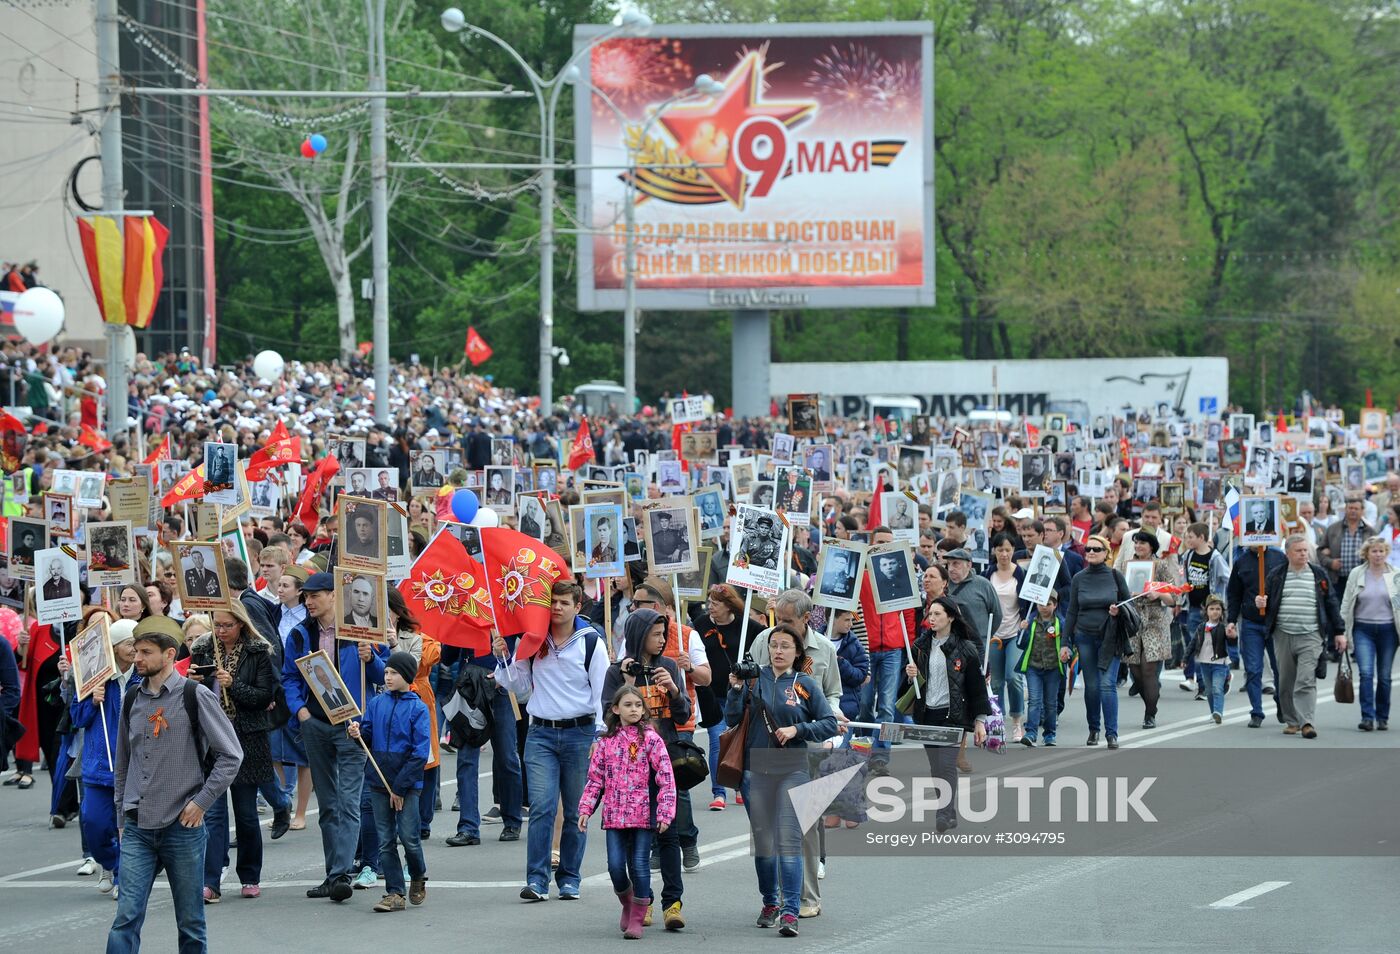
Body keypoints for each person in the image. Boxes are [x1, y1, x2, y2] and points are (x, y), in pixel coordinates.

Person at [108, 616, 243, 954]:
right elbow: (124, 763)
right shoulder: (131, 699)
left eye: (145, 652)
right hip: (138, 825)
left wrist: (202, 802)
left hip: (182, 827)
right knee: (126, 916)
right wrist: (122, 817)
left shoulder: (195, 696)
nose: (137, 659)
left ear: (169, 655)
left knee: (191, 923)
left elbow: (231, 756)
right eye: (136, 651)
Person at [492, 581, 608, 902]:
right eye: (553, 602)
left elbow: (602, 694)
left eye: (564, 603)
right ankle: (537, 879)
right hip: (540, 733)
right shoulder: (533, 639)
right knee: (542, 806)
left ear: (577, 607)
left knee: (574, 811)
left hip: (580, 735)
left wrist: (600, 735)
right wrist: (502, 658)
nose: (557, 607)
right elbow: (518, 684)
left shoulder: (590, 643)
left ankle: (570, 876)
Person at [724, 622, 837, 938]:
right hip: (756, 769)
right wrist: (734, 690)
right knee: (764, 845)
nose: (778, 651)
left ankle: (790, 912)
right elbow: (732, 719)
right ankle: (770, 903)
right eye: (774, 645)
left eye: (786, 645)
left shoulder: (804, 685)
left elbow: (829, 723)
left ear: (797, 651)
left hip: (793, 767)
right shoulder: (753, 680)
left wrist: (798, 731)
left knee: (788, 841)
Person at [282, 572, 388, 903]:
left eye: (315, 596)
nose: (309, 602)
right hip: (315, 723)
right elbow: (289, 676)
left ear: (333, 596)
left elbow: (382, 675)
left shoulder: (359, 631)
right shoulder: (300, 635)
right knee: (327, 803)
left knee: (349, 799)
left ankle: (341, 872)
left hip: (351, 725)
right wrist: (299, 710)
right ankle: (334, 873)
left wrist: (370, 657)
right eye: (306, 597)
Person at [598, 607, 691, 929]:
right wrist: (628, 684)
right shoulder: (617, 671)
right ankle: (643, 901)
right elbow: (609, 719)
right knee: (637, 844)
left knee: (669, 837)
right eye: (655, 634)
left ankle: (673, 903)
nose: (662, 640)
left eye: (664, 634)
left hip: (664, 767)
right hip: (629, 774)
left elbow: (682, 716)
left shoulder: (667, 666)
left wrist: (675, 690)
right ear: (639, 636)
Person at [188, 602, 282, 902]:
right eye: (217, 625)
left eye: (227, 625)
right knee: (213, 813)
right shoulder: (203, 649)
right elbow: (187, 693)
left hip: (245, 738)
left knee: (245, 813)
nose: (221, 631)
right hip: (211, 737)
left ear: (241, 624)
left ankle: (250, 874)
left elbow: (264, 697)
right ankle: (211, 881)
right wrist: (194, 682)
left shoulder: (257, 652)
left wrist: (235, 684)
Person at [579, 683, 678, 940]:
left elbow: (666, 777)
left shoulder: (652, 739)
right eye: (628, 705)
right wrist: (586, 809)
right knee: (614, 866)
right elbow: (595, 780)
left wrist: (665, 812)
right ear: (615, 709)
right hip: (613, 816)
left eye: (638, 705)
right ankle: (627, 902)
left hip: (643, 815)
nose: (634, 710)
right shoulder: (605, 743)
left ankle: (637, 916)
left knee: (640, 865)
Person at [346, 651, 431, 913]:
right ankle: (394, 892)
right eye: (386, 673)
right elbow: (369, 736)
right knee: (385, 840)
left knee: (409, 838)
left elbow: (419, 753)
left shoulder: (418, 708)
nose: (388, 677)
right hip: (378, 782)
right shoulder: (376, 703)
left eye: (393, 673)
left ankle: (418, 874)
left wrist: (400, 788)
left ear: (406, 675)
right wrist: (357, 732)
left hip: (406, 785)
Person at [899, 596, 990, 831]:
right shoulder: (920, 646)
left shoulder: (965, 648)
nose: (932, 618)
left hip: (953, 716)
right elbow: (909, 687)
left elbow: (977, 688)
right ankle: (948, 811)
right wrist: (910, 675)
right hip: (928, 713)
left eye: (938, 614)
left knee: (947, 765)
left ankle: (944, 813)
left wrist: (980, 721)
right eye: (930, 614)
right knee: (936, 767)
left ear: (950, 617)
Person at [67, 618, 140, 898]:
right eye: (128, 643)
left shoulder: (142, 675)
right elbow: (78, 718)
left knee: (129, 828)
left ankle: (123, 876)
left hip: (133, 765)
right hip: (100, 764)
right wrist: (91, 699)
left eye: (136, 642)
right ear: (114, 647)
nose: (134, 649)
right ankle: (109, 863)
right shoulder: (94, 676)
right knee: (95, 824)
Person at [1260, 534, 1343, 738]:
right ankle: (1292, 720)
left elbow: (1331, 603)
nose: (1303, 554)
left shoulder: (1318, 574)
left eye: (1306, 550)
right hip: (1283, 634)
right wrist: (1261, 604)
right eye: (1298, 551)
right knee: (1286, 680)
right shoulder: (1276, 575)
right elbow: (1268, 604)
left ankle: (1307, 722)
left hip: (1311, 635)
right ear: (1288, 553)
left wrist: (1339, 631)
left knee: (1305, 679)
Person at [1065, 534, 1131, 748]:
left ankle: (1112, 733)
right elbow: (1072, 612)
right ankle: (1094, 730)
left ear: (1106, 553)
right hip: (1084, 636)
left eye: (1096, 549)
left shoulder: (1115, 576)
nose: (1091, 552)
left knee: (1107, 685)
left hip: (1110, 638)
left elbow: (1129, 606)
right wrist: (1066, 642)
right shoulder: (1079, 578)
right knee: (1092, 686)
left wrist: (1117, 610)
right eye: (1088, 549)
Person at [1339, 536, 1400, 731]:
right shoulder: (1357, 573)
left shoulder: (1395, 575)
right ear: (1367, 553)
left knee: (1384, 676)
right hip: (1363, 629)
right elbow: (1347, 602)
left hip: (1388, 630)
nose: (1378, 555)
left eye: (1381, 551)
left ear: (1386, 553)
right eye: (1374, 551)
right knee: (1366, 673)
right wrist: (1342, 631)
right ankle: (1367, 716)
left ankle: (1382, 717)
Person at [1226, 542, 1286, 728]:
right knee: (1253, 669)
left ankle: (1281, 700)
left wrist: (1271, 599)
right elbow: (1234, 594)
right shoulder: (1241, 562)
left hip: (1275, 622)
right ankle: (1257, 712)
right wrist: (1231, 620)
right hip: (1251, 623)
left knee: (1280, 668)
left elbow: (1286, 587)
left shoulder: (1279, 557)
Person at [1123, 531, 1177, 729]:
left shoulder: (1161, 565)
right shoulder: (1126, 565)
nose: (1138, 546)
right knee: (1135, 671)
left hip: (1155, 622)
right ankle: (1151, 701)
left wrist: (1158, 594)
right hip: (1132, 621)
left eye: (1142, 543)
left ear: (1152, 546)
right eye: (1136, 543)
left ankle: (1149, 714)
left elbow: (1174, 599)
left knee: (1148, 670)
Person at [983, 533, 1028, 741]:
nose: (1004, 554)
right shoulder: (987, 575)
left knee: (1014, 677)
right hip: (994, 634)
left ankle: (1017, 721)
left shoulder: (1021, 574)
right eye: (1000, 549)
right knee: (997, 682)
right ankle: (997, 723)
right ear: (994, 551)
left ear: (1013, 551)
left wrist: (1026, 620)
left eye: (1008, 549)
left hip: (1015, 633)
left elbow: (1031, 603)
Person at [1016, 591, 1069, 746]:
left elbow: (1068, 644)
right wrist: (1022, 630)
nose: (1044, 608)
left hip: (1053, 668)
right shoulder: (1031, 621)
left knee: (1051, 703)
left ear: (1055, 605)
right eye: (1040, 604)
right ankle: (1031, 733)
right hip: (1034, 667)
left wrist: (1067, 654)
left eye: (1048, 604)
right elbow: (1021, 644)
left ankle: (1049, 734)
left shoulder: (1061, 622)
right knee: (1034, 701)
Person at [1189, 596, 1230, 723]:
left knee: (1217, 688)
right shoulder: (1201, 627)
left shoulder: (1224, 627)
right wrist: (1185, 658)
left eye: (1218, 609)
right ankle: (1214, 713)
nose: (1215, 611)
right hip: (1204, 663)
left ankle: (1218, 712)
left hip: (1219, 663)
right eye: (1211, 609)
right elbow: (1193, 643)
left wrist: (1233, 637)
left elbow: (1232, 643)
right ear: (1206, 611)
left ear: (1222, 611)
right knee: (1209, 690)